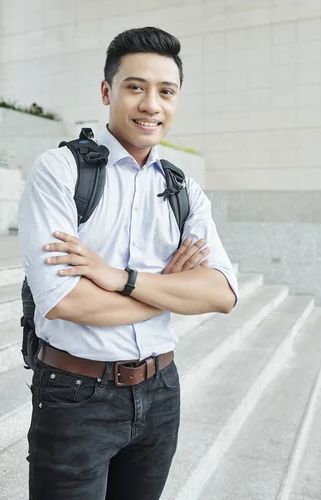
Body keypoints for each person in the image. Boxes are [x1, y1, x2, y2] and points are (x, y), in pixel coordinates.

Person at [18, 26, 238, 500]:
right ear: (106, 91)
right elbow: (65, 301)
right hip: (76, 394)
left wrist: (121, 279)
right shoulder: (61, 172)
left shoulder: (184, 190)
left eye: (166, 91)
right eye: (135, 87)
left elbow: (221, 293)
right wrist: (167, 291)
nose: (151, 104)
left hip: (161, 393)